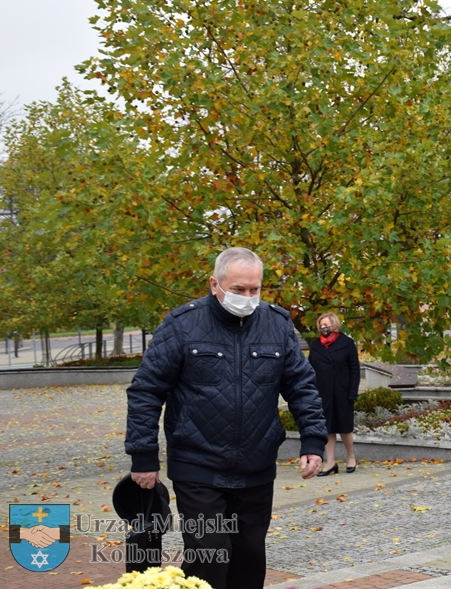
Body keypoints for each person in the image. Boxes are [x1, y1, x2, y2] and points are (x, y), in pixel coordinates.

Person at [125, 247, 327, 589]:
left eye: (254, 289)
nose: (248, 297)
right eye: (238, 290)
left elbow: (302, 386)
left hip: (257, 465)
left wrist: (313, 440)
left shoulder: (277, 324)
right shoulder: (181, 325)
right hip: (197, 463)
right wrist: (143, 455)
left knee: (249, 556)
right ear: (215, 284)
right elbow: (146, 390)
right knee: (210, 554)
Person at [309, 311, 360, 475]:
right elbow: (310, 368)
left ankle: (350, 457)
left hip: (343, 391)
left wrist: (353, 391)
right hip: (322, 392)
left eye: (326, 325)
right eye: (321, 325)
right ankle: (330, 462)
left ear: (334, 325)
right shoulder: (316, 345)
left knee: (345, 428)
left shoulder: (347, 343)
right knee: (327, 428)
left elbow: (355, 369)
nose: (323, 328)